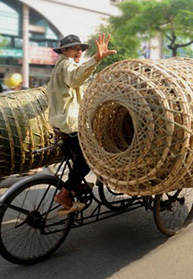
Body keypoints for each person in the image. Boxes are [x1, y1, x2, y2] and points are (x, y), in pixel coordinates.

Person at [47, 33, 116, 212]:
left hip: (59, 123)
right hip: (70, 124)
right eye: (75, 48)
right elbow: (75, 78)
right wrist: (96, 58)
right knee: (87, 161)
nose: (79, 51)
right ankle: (66, 193)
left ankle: (76, 186)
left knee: (78, 158)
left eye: (81, 49)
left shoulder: (59, 67)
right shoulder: (67, 64)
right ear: (64, 51)